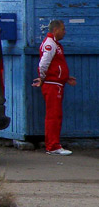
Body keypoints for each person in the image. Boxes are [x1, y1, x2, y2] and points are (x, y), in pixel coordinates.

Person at [32, 19, 76, 155]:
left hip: (56, 83)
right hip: (52, 85)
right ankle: (52, 146)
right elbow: (44, 63)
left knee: (56, 115)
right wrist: (43, 77)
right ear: (56, 30)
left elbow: (54, 65)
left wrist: (64, 77)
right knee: (53, 115)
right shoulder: (50, 44)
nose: (65, 32)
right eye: (63, 29)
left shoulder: (55, 44)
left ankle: (54, 144)